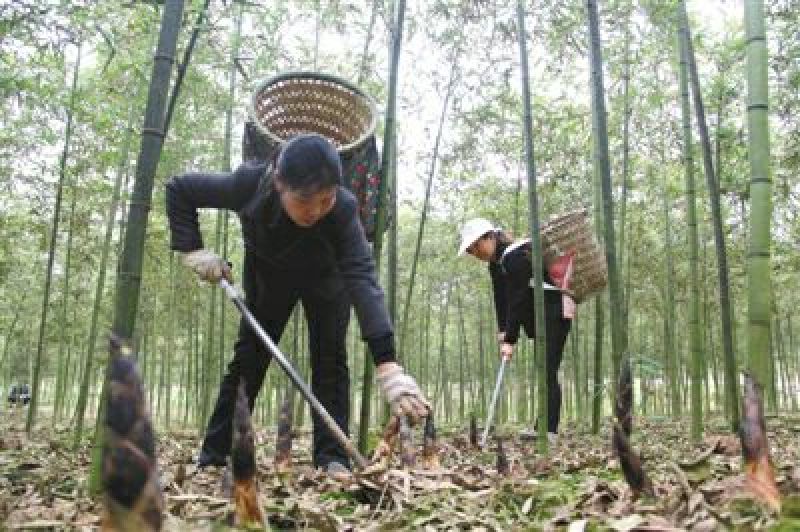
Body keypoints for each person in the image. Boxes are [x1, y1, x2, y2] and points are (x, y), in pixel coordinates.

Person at [166, 133, 429, 474]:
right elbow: (180, 189)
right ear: (279, 183)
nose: (316, 210)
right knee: (249, 358)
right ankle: (216, 455)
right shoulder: (249, 184)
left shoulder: (345, 209)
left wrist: (388, 365)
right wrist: (193, 249)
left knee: (331, 360)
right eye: (306, 199)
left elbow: (363, 280)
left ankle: (332, 457)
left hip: (327, 280)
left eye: (327, 198)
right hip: (269, 276)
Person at [458, 218, 573, 439]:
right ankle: (542, 426)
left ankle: (549, 430)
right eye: (471, 251)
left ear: (489, 238)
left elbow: (517, 298)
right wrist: (503, 331)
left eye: (475, 247)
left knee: (547, 369)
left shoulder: (516, 256)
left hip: (554, 312)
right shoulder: (497, 263)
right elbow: (501, 299)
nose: (475, 253)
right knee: (544, 368)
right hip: (539, 318)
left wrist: (510, 338)